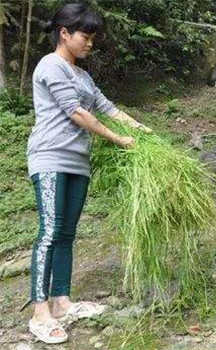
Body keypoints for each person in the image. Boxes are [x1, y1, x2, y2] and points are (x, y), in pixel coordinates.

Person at [26, 3, 150, 344]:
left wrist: (141, 129)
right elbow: (76, 112)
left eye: (93, 38)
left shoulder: (83, 75)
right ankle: (40, 312)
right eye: (85, 36)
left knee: (67, 233)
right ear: (64, 33)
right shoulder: (50, 65)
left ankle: (62, 302)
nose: (90, 44)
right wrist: (117, 139)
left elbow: (106, 108)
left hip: (78, 162)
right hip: (50, 158)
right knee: (49, 231)